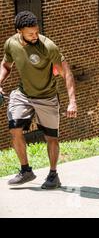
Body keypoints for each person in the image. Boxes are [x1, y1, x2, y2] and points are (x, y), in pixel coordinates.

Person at [0, 11, 77, 189]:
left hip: (47, 96)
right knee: (15, 128)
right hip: (23, 94)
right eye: (30, 34)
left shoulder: (48, 46)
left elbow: (67, 73)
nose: (35, 36)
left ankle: (53, 175)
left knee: (51, 137)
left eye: (36, 32)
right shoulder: (11, 44)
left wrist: (72, 102)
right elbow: (6, 65)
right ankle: (25, 170)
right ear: (19, 31)